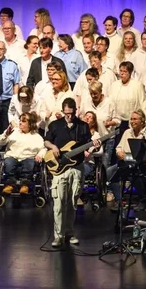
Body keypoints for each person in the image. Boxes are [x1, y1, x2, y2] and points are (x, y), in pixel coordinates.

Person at [44, 98, 98, 247]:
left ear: (75, 111)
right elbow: (46, 141)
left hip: (76, 167)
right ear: (63, 111)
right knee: (59, 203)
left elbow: (88, 145)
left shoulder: (83, 126)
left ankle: (69, 232)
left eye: (71, 113)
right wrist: (53, 147)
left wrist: (95, 146)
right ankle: (58, 235)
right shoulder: (55, 125)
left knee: (72, 202)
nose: (69, 116)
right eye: (66, 113)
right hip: (60, 168)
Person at [0, 112, 46, 195]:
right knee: (9, 163)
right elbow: (0, 142)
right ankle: (10, 185)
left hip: (28, 157)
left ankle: (25, 185)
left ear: (30, 124)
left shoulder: (36, 137)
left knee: (29, 163)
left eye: (23, 121)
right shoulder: (13, 132)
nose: (20, 123)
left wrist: (40, 155)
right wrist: (6, 134)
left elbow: (43, 149)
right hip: (12, 156)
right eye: (20, 120)